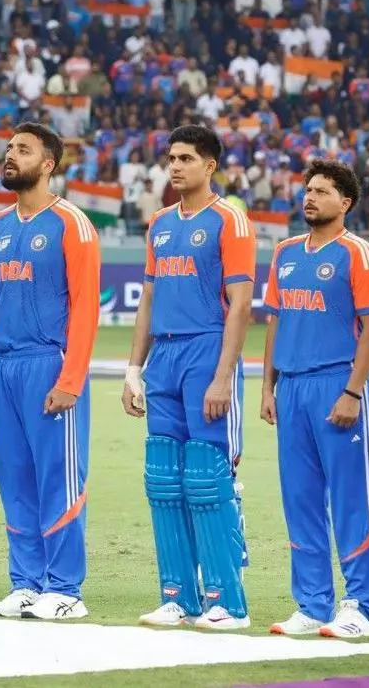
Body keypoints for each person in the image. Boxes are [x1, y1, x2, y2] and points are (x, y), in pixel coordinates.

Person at [123, 123, 256, 630]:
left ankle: (228, 601)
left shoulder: (229, 221)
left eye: (186, 158)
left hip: (207, 351)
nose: (175, 166)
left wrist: (223, 377)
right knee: (163, 479)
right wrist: (134, 369)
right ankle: (178, 596)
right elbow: (149, 298)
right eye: (171, 158)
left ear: (210, 165)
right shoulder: (159, 223)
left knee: (207, 476)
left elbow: (240, 305)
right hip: (164, 357)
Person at [260, 161, 369, 638]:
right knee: (301, 499)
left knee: (351, 498)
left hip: (336, 383)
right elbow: (275, 321)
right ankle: (313, 604)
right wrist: (268, 386)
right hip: (291, 388)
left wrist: (353, 392)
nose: (310, 197)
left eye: (322, 191)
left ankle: (360, 606)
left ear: (345, 202)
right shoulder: (285, 252)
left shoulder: (359, 253)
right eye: (308, 190)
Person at [0, 123, 100, 621]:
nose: (10, 156)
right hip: (3, 369)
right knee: (15, 481)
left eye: (23, 150)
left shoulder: (72, 223)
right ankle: (26, 583)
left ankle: (66, 588)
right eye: (9, 148)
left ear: (48, 164)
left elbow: (86, 306)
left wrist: (71, 380)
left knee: (58, 479)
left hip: (49, 365)